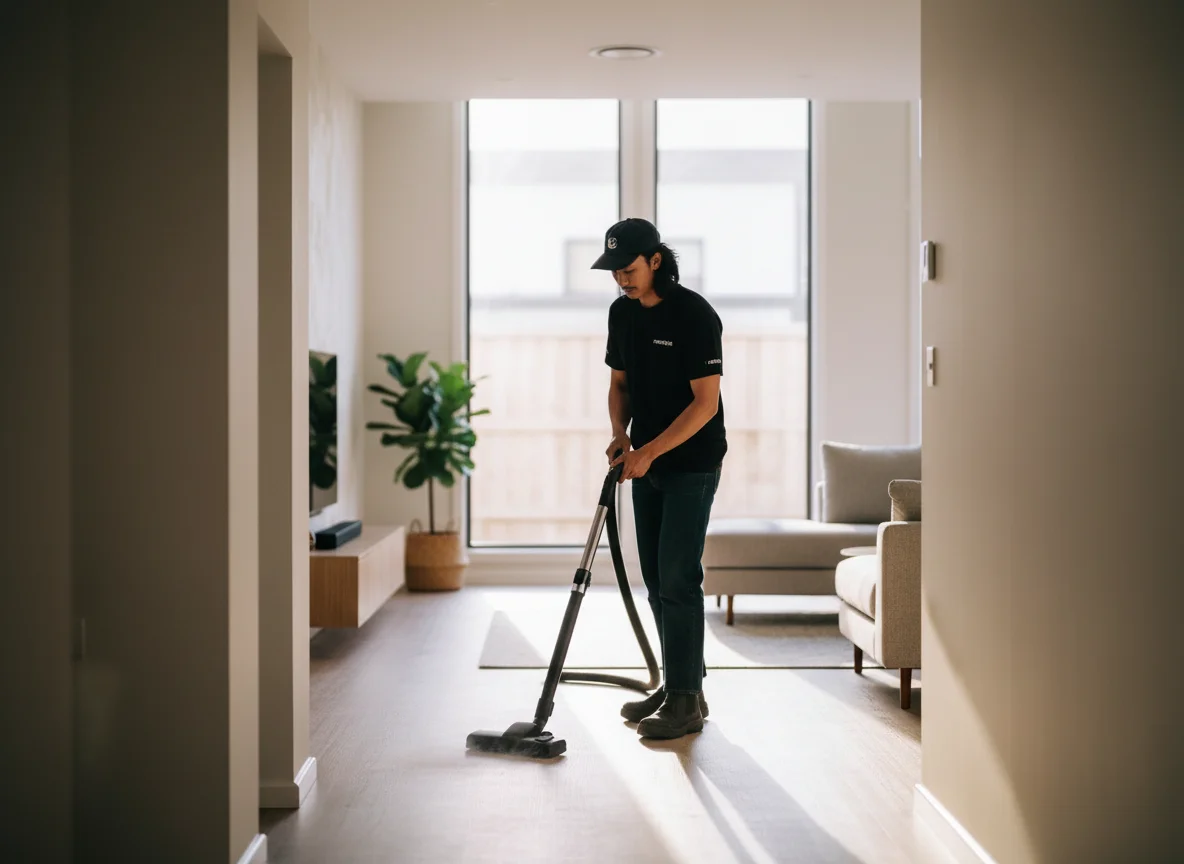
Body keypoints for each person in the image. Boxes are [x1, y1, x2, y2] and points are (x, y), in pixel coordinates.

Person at [591, 217, 727, 740]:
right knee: (654, 578)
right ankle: (678, 686)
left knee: (678, 576)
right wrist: (619, 435)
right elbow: (619, 384)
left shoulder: (694, 315)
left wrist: (648, 451)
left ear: (655, 261)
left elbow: (705, 405)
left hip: (691, 463)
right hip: (644, 459)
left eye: (628, 269)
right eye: (614, 272)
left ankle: (687, 701)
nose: (622, 279)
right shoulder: (621, 314)